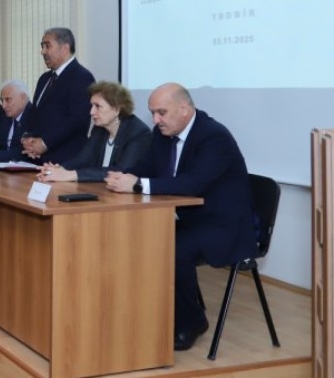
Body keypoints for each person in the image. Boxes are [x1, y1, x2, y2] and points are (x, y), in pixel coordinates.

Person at [104, 83, 255, 352]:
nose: (155, 120)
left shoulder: (214, 136)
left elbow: (193, 184)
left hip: (223, 225)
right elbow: (145, 168)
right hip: (190, 218)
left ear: (184, 109)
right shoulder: (163, 134)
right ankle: (148, 313)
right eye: (152, 113)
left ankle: (192, 321)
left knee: (172, 250)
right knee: (141, 239)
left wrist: (137, 184)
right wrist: (122, 176)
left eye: (161, 112)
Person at [38, 81, 152, 182]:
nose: (91, 112)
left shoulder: (139, 133)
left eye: (98, 106)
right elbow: (82, 160)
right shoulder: (99, 129)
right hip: (100, 188)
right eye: (92, 106)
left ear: (117, 109)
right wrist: (58, 169)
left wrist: (72, 175)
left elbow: (121, 171)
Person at [22, 28, 95, 164]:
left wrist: (45, 142)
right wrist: (27, 138)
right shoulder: (44, 79)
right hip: (36, 159)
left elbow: (78, 120)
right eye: (42, 46)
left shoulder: (82, 77)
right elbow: (35, 114)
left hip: (65, 161)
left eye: (47, 46)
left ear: (64, 48)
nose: (43, 52)